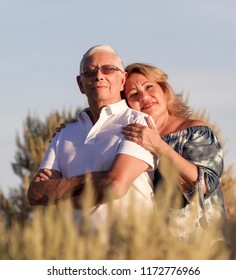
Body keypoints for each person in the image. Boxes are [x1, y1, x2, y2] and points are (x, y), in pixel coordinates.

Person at [27, 45, 157, 229]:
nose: (99, 76)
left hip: (130, 248)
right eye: (89, 72)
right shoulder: (65, 133)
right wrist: (94, 179)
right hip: (77, 253)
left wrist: (61, 197)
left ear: (122, 79)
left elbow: (115, 187)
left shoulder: (138, 123)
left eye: (108, 69)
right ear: (80, 83)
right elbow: (36, 193)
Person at [121, 63, 226, 245]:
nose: (144, 97)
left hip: (202, 249)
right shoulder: (132, 139)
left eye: (149, 87)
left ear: (164, 90)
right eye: (134, 94)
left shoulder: (194, 130)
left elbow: (204, 185)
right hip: (154, 250)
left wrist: (159, 146)